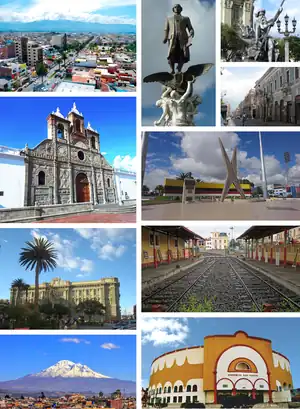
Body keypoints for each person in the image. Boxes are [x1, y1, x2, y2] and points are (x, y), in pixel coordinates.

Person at [163, 4, 194, 74]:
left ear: (181, 9)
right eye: (175, 7)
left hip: (183, 39)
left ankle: (179, 68)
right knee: (171, 54)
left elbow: (190, 28)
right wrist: (165, 37)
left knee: (183, 54)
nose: (177, 8)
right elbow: (166, 29)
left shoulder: (186, 18)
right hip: (172, 39)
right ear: (173, 9)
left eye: (178, 7)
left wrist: (191, 33)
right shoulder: (169, 19)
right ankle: (172, 69)